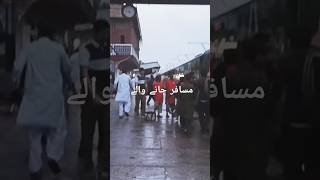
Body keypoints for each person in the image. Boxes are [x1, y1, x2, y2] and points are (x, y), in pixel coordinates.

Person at [13, 22, 70, 180]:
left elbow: (17, 67)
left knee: (34, 135)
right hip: (53, 96)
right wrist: (69, 82)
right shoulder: (58, 49)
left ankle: (35, 168)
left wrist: (16, 82)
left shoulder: (30, 48)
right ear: (53, 36)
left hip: (33, 96)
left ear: (37, 34)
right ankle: (53, 155)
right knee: (58, 130)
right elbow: (67, 68)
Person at [77, 20, 109, 180]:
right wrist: (93, 94)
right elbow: (85, 75)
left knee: (105, 132)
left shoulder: (108, 48)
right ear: (96, 32)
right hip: (90, 99)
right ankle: (87, 164)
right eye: (104, 32)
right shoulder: (86, 49)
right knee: (87, 132)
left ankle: (103, 165)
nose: (106, 35)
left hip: (105, 98)